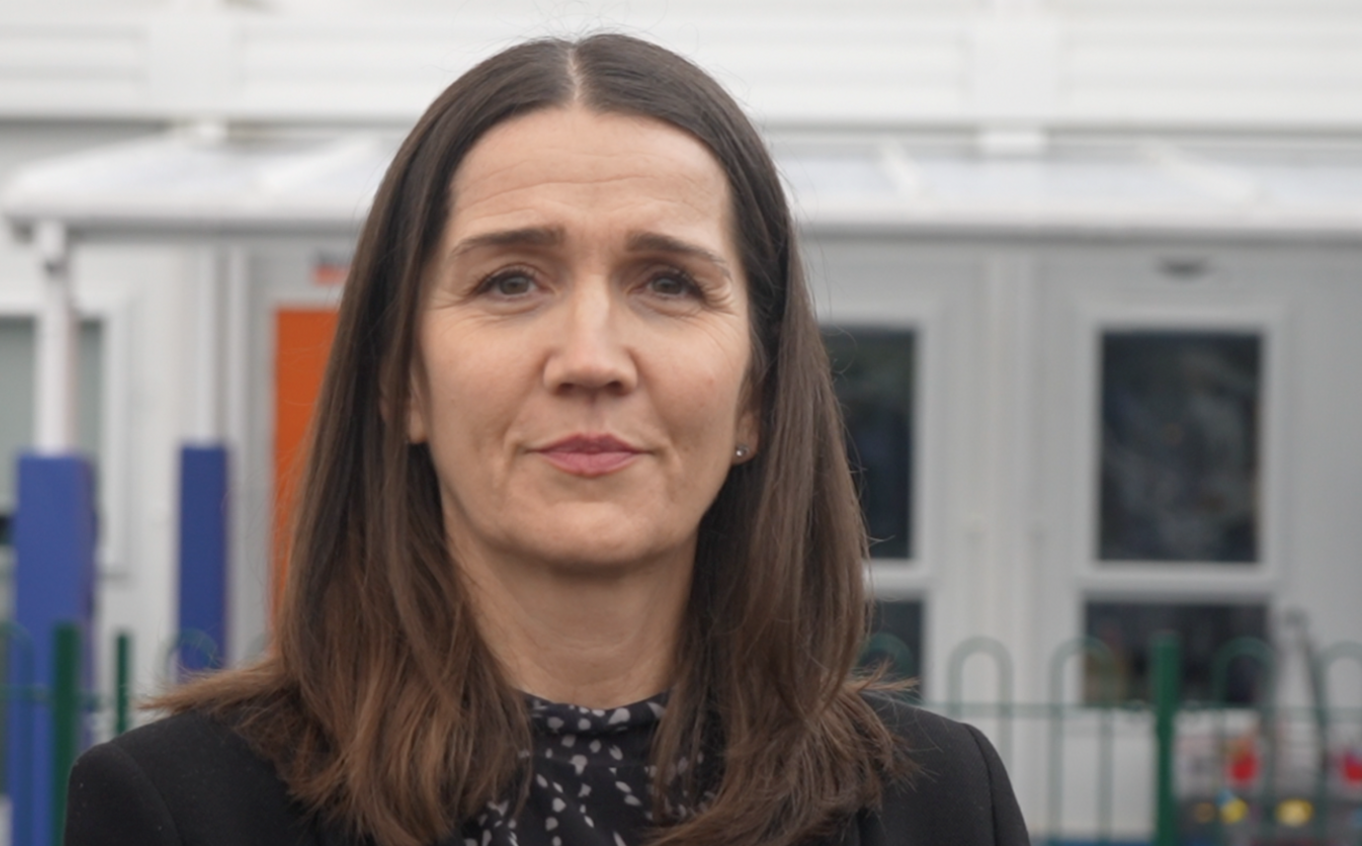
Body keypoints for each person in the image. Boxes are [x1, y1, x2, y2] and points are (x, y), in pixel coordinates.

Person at [66, 33, 1030, 846]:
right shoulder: (182, 811)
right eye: (511, 281)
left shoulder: (937, 805)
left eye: (668, 282)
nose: (591, 358)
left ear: (755, 399)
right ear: (403, 380)